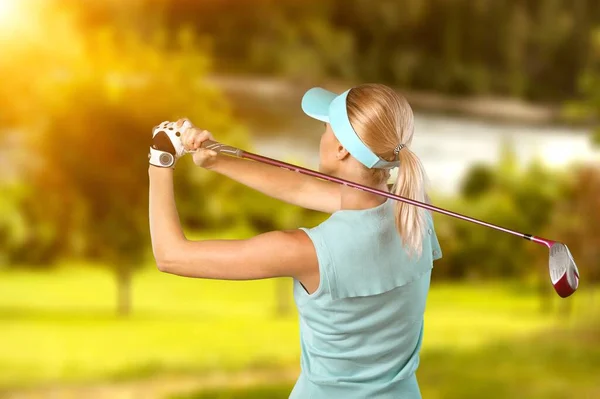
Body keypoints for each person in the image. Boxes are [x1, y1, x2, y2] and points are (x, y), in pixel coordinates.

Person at [148, 83, 442, 398]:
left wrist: (160, 159)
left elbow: (171, 255)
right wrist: (217, 160)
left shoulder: (308, 253)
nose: (322, 137)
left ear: (341, 148)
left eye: (326, 129)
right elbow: (301, 190)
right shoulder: (415, 215)